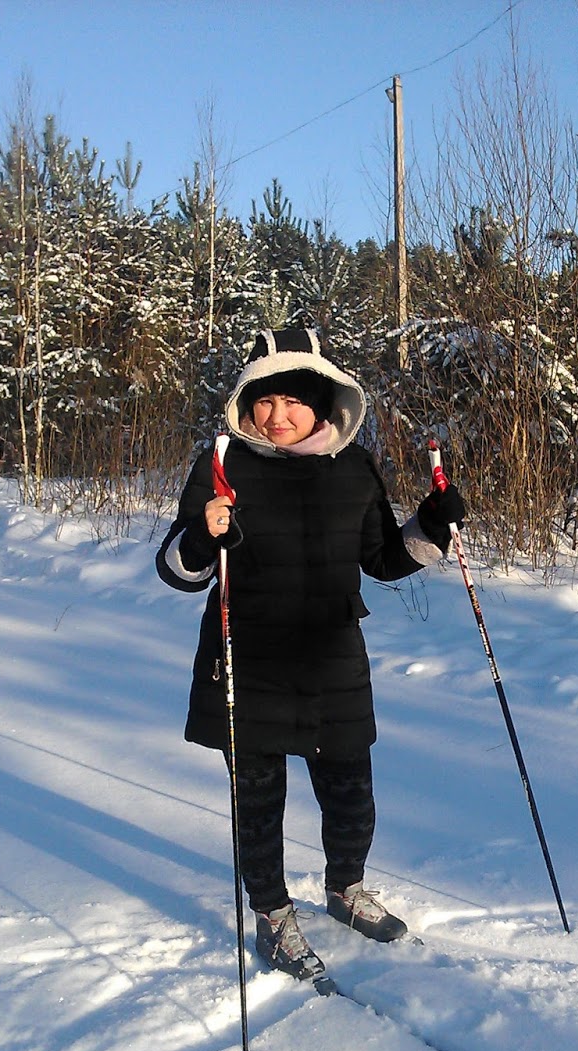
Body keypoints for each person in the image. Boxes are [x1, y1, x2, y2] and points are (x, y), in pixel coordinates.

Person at [157, 328, 466, 984]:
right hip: (248, 660)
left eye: (294, 401)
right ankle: (272, 914)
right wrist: (199, 535)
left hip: (332, 661)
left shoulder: (351, 466)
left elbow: (383, 558)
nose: (277, 416)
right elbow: (177, 568)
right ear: (246, 403)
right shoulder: (222, 464)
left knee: (352, 794)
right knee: (259, 801)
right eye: (264, 401)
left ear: (324, 404)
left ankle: (344, 890)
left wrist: (433, 524)